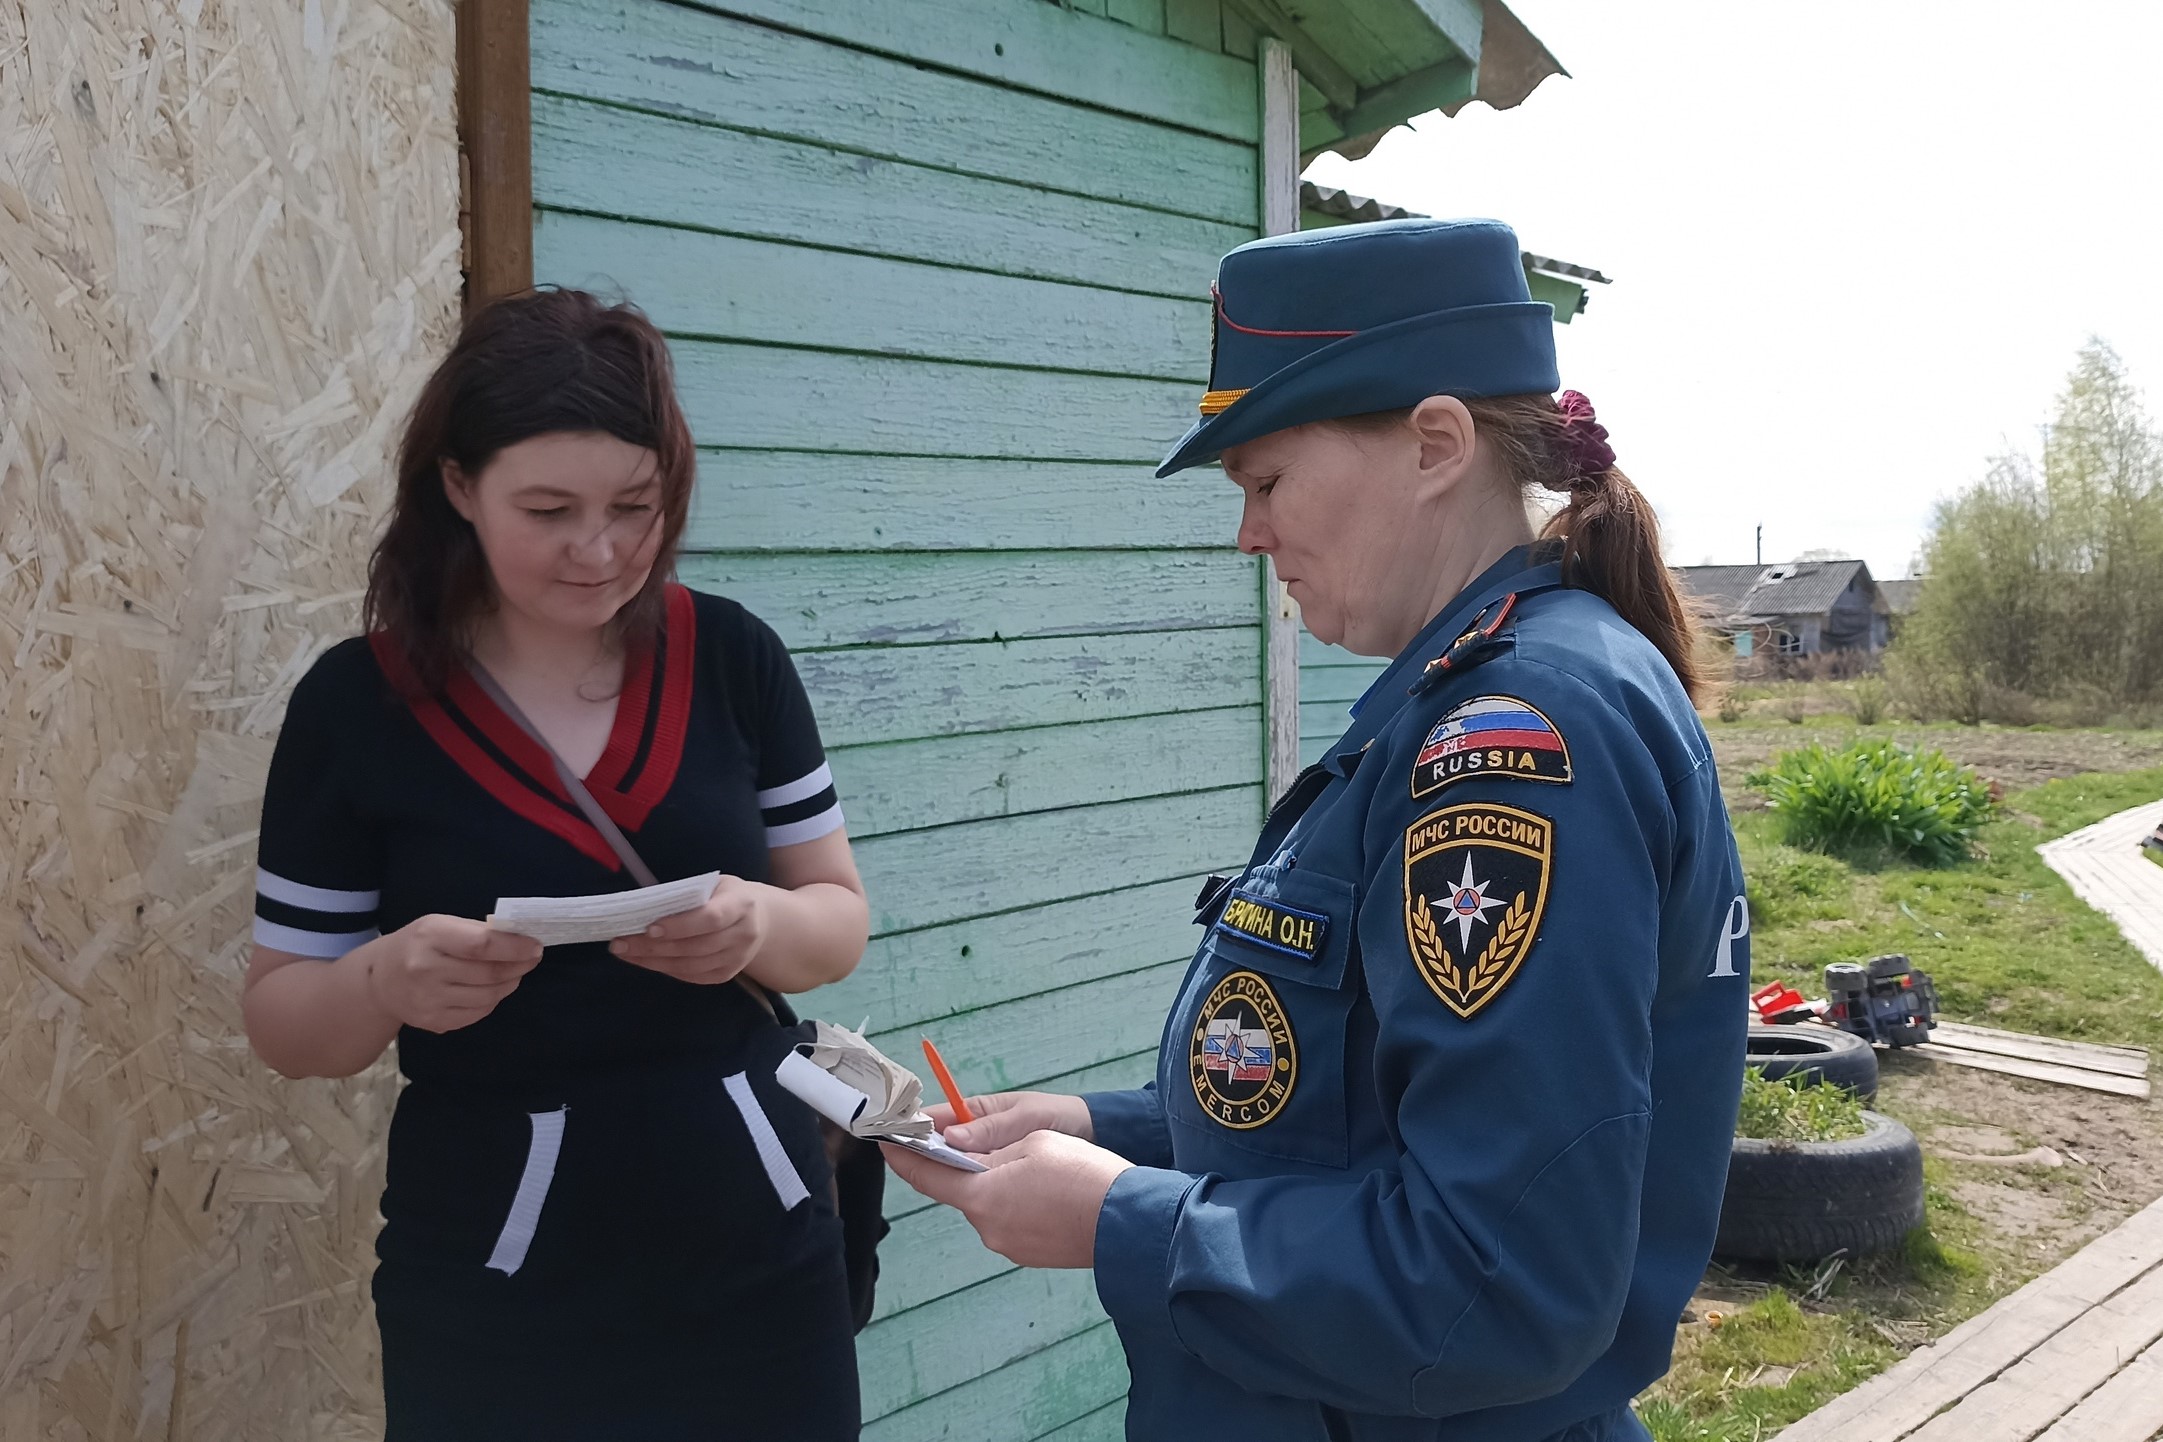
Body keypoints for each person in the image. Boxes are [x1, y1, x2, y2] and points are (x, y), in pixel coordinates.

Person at [883, 218, 1751, 1442]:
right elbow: (1357, 1109)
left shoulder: (1513, 736)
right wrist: (1100, 1130)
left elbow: (1495, 1280)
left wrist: (1120, 1217)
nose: (1250, 534)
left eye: (1269, 482)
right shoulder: (1466, 695)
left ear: (1435, 444)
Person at [240, 289, 870, 1440]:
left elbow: (835, 920)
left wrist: (754, 925)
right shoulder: (358, 705)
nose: (600, 549)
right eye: (549, 508)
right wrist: (385, 980)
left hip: (761, 1254)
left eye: (636, 505)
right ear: (457, 487)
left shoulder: (730, 655)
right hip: (494, 1277)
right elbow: (287, 1024)